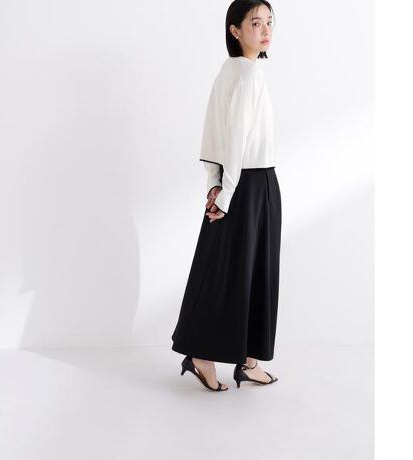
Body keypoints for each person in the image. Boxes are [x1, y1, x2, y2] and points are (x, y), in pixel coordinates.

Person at [171, 0, 281, 391]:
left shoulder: (228, 70)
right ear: (235, 30)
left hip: (235, 182)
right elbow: (234, 136)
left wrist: (215, 184)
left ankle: (236, 359)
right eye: (256, 23)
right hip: (252, 183)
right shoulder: (249, 74)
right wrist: (228, 192)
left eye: (269, 22)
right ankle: (229, 358)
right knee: (252, 271)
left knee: (225, 269)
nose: (265, 30)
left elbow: (212, 131)